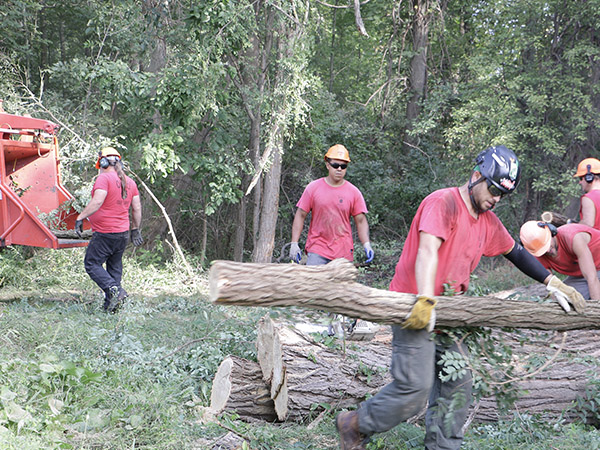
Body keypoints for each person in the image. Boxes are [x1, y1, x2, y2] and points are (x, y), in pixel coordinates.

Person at [336, 145, 586, 450]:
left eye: (502, 195)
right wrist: (425, 301)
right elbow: (427, 251)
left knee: (458, 385)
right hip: (412, 306)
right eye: (493, 190)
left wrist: (553, 283)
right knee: (415, 388)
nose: (496, 199)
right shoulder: (443, 203)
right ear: (476, 175)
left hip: (453, 314)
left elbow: (516, 253)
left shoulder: (489, 222)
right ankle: (355, 424)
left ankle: (443, 447)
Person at [290, 144, 374, 337]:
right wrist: (294, 243)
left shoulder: (353, 192)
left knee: (342, 293)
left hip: (343, 251)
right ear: (327, 164)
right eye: (335, 164)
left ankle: (337, 329)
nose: (339, 169)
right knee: (311, 287)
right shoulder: (313, 188)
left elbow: (361, 221)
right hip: (318, 248)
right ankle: (312, 326)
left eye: (343, 166)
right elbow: (300, 215)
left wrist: (367, 244)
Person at [75, 147, 143, 313]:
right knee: (114, 268)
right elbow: (137, 208)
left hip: (105, 232)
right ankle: (111, 308)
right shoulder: (130, 182)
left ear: (103, 162)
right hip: (122, 234)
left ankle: (116, 291)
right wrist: (135, 229)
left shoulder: (104, 178)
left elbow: (97, 201)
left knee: (92, 264)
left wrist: (80, 217)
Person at [520, 220, 600, 301]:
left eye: (547, 245)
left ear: (551, 232)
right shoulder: (539, 255)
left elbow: (591, 277)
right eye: (542, 250)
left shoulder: (572, 237)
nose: (547, 251)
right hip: (583, 277)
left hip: (592, 273)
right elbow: (553, 286)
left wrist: (596, 309)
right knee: (565, 298)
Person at [574, 157, 600, 229]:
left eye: (581, 178)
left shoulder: (589, 198)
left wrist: (571, 227)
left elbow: (587, 224)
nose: (580, 182)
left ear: (589, 177)